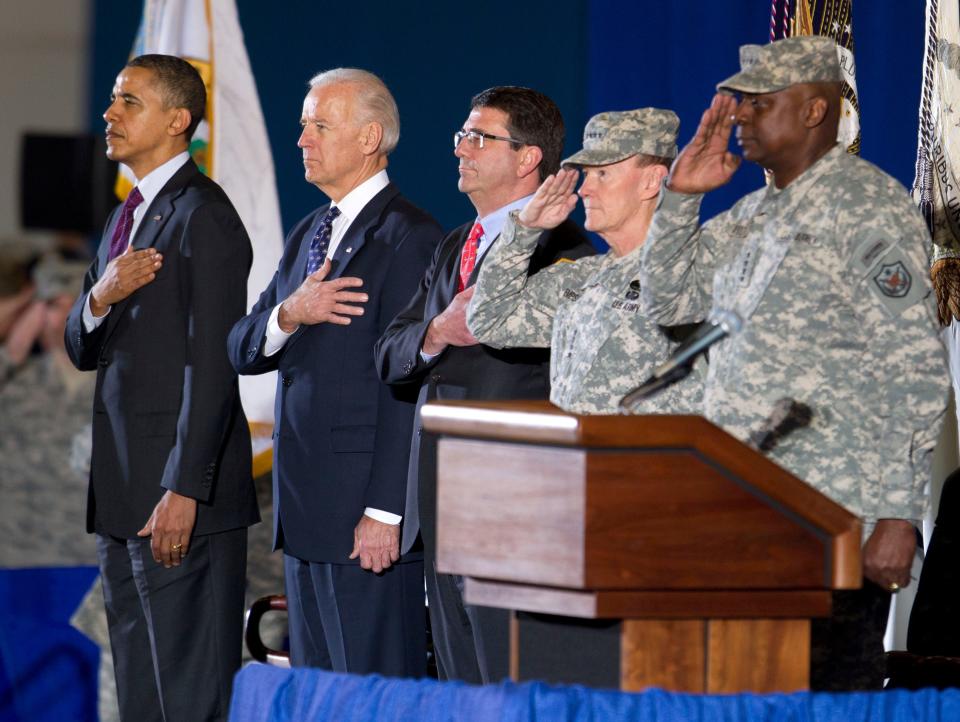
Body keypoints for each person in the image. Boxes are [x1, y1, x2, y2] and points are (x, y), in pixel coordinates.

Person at [638, 35, 950, 690]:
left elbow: (913, 362)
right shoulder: (752, 215)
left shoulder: (867, 205)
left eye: (760, 104)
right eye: (740, 105)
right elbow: (665, 303)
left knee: (822, 699)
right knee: (743, 694)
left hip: (835, 513)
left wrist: (896, 514)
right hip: (745, 508)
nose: (741, 117)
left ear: (814, 111)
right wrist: (681, 198)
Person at [227, 68, 442, 676]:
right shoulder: (308, 234)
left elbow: (407, 385)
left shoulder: (410, 238)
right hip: (305, 518)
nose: (303, 139)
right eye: (303, 126)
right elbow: (242, 347)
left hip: (364, 526)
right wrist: (290, 314)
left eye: (319, 125)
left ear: (370, 136)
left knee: (371, 698)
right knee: (320, 697)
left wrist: (386, 512)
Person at [375, 86, 593, 683]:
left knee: (510, 681)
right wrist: (437, 332)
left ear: (528, 159)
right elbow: (391, 355)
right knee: (459, 683)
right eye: (460, 136)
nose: (460, 150)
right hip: (441, 501)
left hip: (511, 502)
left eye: (479, 137)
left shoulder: (564, 251)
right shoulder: (454, 245)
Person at [64, 54, 259, 721]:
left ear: (178, 121)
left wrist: (184, 489)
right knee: (142, 697)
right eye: (113, 99)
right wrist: (100, 294)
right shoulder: (131, 214)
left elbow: (213, 365)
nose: (109, 114)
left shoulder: (202, 215)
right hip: (123, 495)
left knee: (190, 697)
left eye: (129, 102)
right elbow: (80, 344)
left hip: (177, 504)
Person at [467, 108, 700, 413]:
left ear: (652, 181)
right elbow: (488, 320)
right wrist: (523, 232)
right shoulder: (580, 278)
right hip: (576, 458)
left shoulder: (692, 275)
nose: (585, 189)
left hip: (657, 458)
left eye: (602, 173)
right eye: (587, 175)